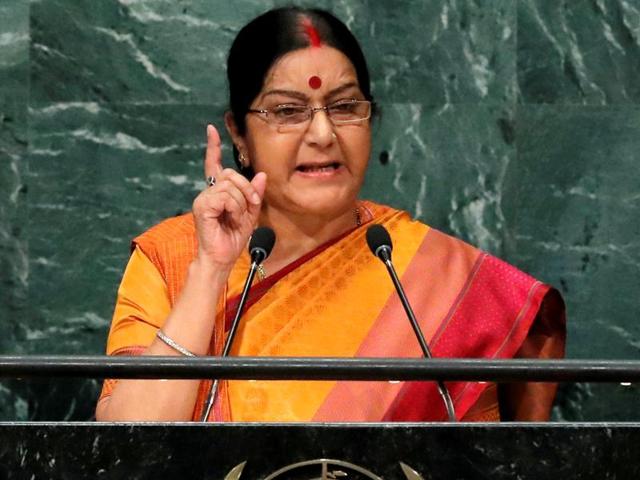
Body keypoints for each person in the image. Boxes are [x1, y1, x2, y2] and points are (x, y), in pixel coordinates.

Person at [95, 6, 565, 422]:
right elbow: (126, 450)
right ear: (239, 134)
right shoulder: (171, 257)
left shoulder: (433, 274)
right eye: (288, 111)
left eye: (344, 107)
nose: (323, 133)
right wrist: (211, 271)